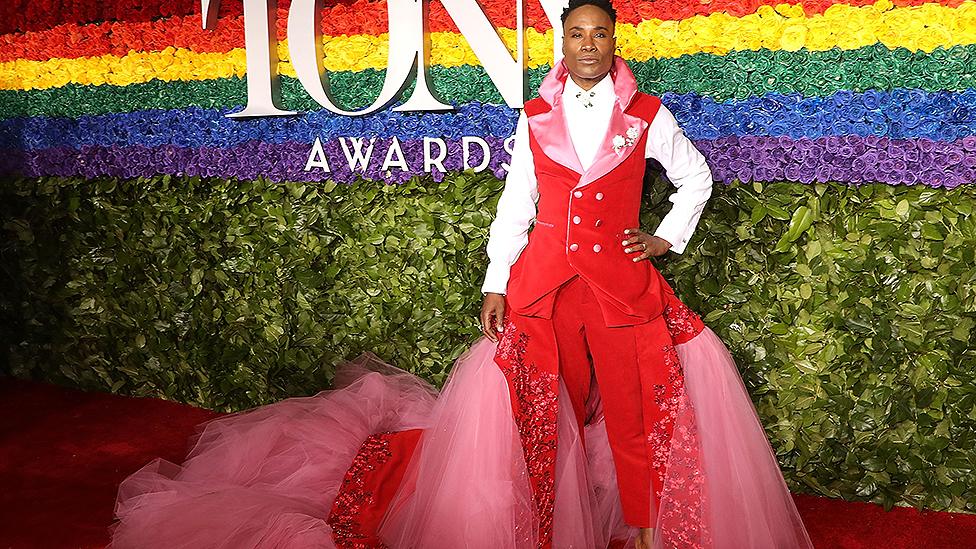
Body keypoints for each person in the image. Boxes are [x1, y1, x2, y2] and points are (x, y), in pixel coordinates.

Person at [109, 1, 814, 547]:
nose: (589, 44)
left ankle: (648, 529)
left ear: (615, 42)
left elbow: (696, 177)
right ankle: (540, 528)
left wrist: (664, 238)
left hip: (621, 287)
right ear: (563, 46)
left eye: (600, 33)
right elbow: (517, 201)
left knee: (634, 415)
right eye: (577, 35)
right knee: (542, 413)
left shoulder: (649, 116)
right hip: (542, 286)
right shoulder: (534, 116)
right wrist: (495, 280)